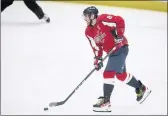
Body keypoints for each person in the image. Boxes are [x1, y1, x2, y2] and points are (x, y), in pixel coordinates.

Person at [83, 6, 151, 112]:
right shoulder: (88, 31)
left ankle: (106, 102)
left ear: (92, 16)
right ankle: (141, 88)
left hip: (121, 48)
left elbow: (120, 20)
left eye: (86, 16)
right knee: (121, 75)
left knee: (108, 73)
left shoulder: (103, 19)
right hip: (112, 52)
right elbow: (96, 46)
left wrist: (119, 35)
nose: (85, 19)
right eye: (84, 17)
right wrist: (98, 59)